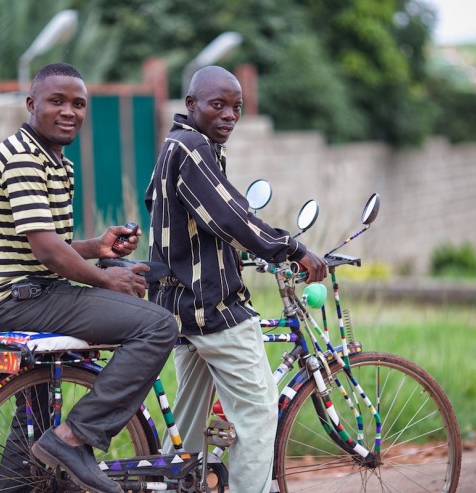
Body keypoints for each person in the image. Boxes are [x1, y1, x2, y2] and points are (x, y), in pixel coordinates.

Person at [0, 62, 177, 493]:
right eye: (57, 101)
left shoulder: (57, 162)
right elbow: (47, 251)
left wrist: (97, 249)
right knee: (159, 325)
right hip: (21, 299)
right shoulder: (22, 157)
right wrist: (107, 280)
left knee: (33, 421)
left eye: (79, 104)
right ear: (32, 104)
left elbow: (54, 245)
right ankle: (74, 439)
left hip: (30, 292)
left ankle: (42, 456)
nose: (69, 111)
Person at [144, 65, 328, 493]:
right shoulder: (192, 148)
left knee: (187, 433)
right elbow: (233, 218)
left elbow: (202, 223)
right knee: (260, 413)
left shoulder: (177, 146)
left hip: (180, 309)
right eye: (218, 105)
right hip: (215, 310)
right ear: (191, 105)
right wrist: (294, 250)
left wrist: (240, 250)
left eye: (237, 108)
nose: (229, 115)